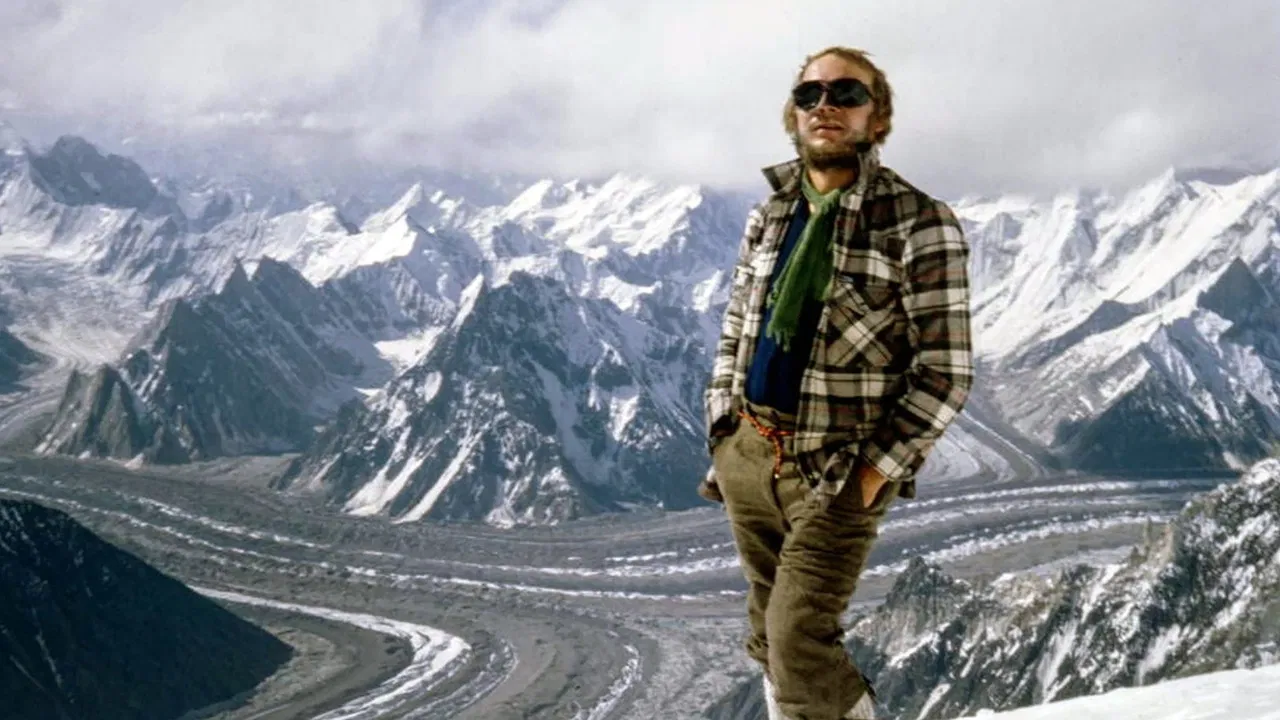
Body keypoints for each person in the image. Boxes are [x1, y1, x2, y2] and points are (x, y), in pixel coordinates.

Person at [699, 46, 974, 720]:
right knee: (769, 633)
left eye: (847, 93)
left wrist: (873, 473)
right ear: (793, 114)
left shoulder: (918, 221)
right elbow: (738, 327)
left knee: (797, 638)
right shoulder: (771, 214)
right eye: (810, 94)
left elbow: (946, 371)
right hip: (750, 450)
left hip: (838, 467)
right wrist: (723, 431)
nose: (825, 106)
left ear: (876, 118)